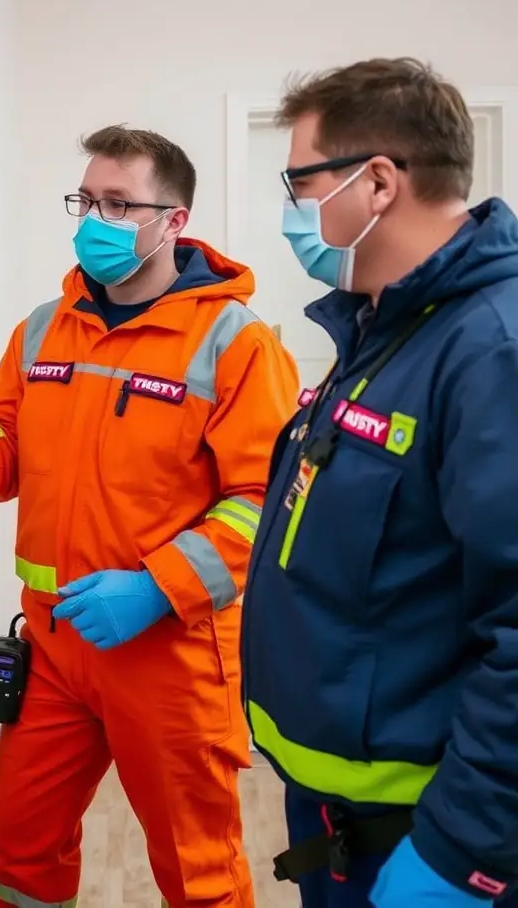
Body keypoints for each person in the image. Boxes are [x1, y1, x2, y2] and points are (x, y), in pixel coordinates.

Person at [0, 124, 299, 908]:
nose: (95, 218)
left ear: (174, 220)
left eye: (119, 203)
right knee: (19, 844)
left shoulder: (237, 344)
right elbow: (3, 460)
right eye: (86, 200)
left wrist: (158, 588)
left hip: (171, 652)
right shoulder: (44, 328)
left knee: (198, 870)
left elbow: (267, 504)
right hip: (53, 646)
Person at [240, 56, 518, 908]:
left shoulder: (491, 348)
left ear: (379, 182)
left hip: (424, 831)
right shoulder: (384, 331)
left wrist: (460, 854)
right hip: (340, 812)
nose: (291, 209)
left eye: (299, 181)